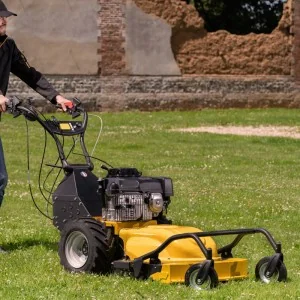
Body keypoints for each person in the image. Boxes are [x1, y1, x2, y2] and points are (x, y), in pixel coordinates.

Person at [0, 1, 73, 251]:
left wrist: (56, 97)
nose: (4, 20)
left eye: (5, 17)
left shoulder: (7, 46)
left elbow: (30, 73)